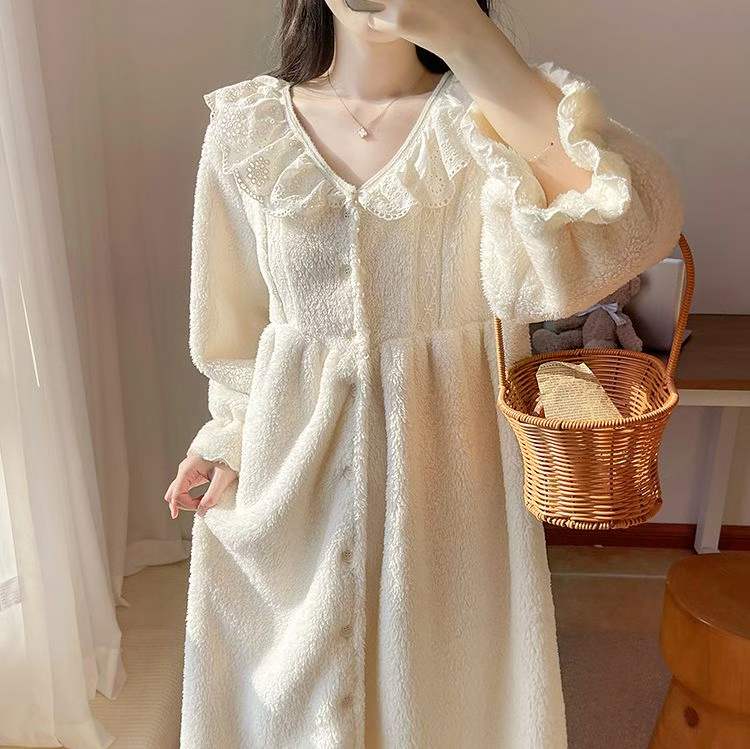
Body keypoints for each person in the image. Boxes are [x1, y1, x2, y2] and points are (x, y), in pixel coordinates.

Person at [164, 0, 683, 745]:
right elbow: (233, 327)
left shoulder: (486, 118)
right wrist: (225, 439)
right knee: (281, 704)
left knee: (445, 697)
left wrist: (469, 37)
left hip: (450, 479)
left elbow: (634, 225)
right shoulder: (248, 130)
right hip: (292, 471)